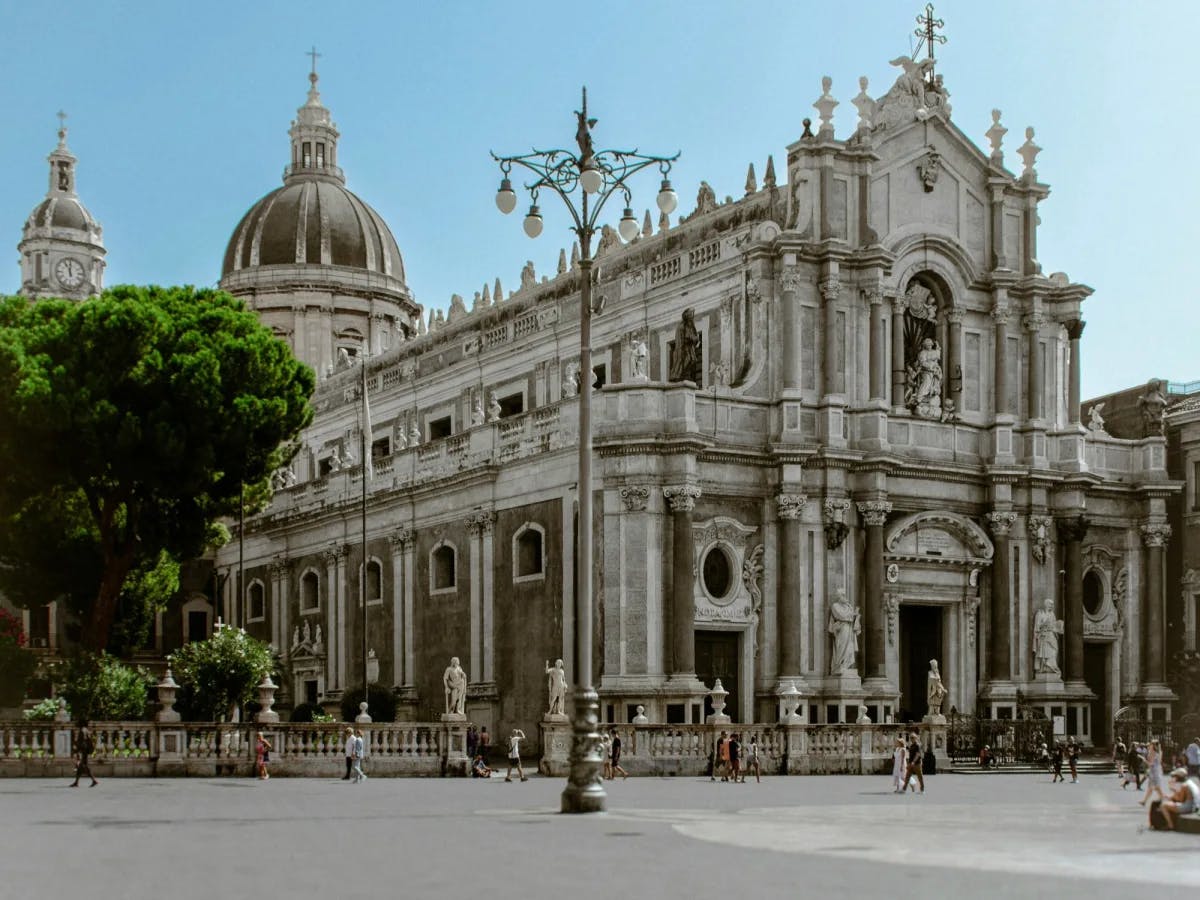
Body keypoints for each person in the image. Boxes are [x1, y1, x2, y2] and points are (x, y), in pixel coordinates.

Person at [827, 591, 861, 675]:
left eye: (845, 595)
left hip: (849, 627)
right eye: (843, 595)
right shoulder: (835, 606)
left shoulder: (848, 606)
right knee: (841, 646)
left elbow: (851, 617)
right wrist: (853, 614)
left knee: (849, 646)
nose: (845, 596)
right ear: (839, 596)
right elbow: (840, 616)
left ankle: (846, 665)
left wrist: (855, 615)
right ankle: (838, 665)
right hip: (841, 628)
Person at [70, 723, 98, 788]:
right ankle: (76, 782)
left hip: (83, 751)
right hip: (85, 750)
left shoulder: (82, 731)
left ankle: (93, 780)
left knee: (83, 766)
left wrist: (77, 749)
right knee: (81, 767)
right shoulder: (85, 730)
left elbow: (82, 741)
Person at [1140, 739, 1164, 806]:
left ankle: (1163, 799)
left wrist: (1144, 760)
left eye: (1150, 744)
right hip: (1155, 770)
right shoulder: (1159, 752)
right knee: (1151, 787)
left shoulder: (1153, 753)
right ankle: (1144, 801)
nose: (1149, 745)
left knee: (1156, 787)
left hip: (1154, 771)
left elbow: (1151, 763)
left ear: (1153, 746)